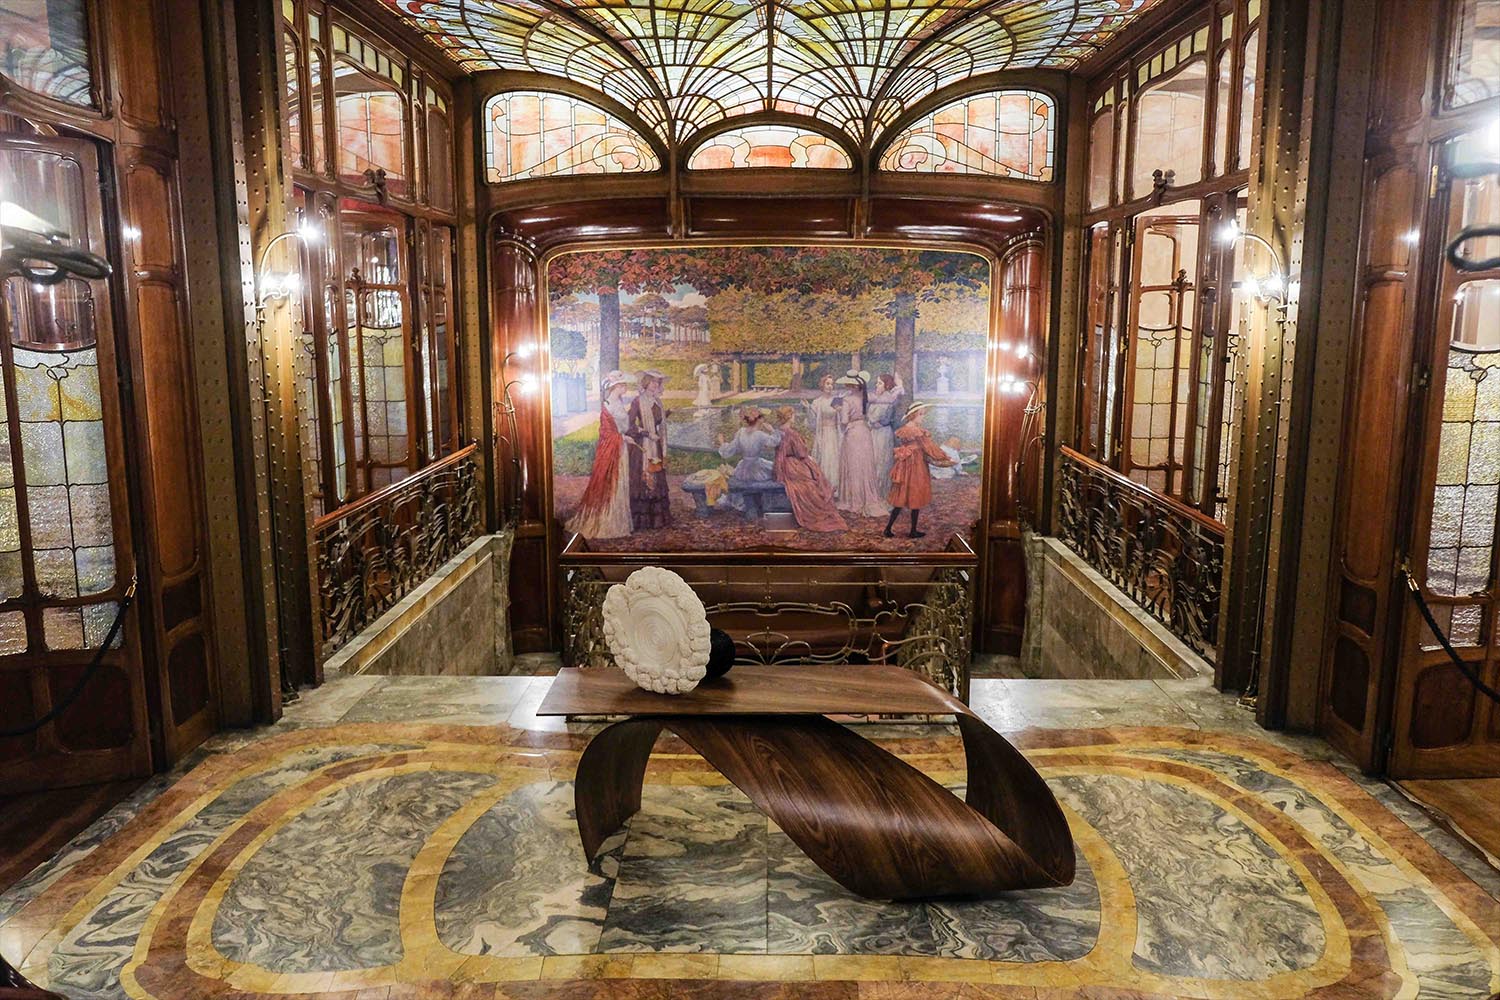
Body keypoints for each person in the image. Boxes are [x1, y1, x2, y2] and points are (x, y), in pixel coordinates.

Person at [564, 372, 637, 539]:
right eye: (623, 385)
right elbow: (606, 433)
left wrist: (627, 435)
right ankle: (607, 522)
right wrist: (623, 438)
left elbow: (623, 425)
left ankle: (619, 522)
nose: (625, 387)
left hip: (620, 448)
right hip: (613, 449)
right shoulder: (608, 405)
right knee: (612, 483)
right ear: (615, 387)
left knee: (620, 482)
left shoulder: (618, 402)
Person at [885, 402, 954, 539]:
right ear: (913, 415)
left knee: (903, 495)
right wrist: (944, 456)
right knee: (915, 493)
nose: (923, 417)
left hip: (905, 464)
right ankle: (911, 531)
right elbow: (930, 448)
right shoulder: (917, 431)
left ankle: (890, 529)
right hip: (915, 465)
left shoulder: (906, 428)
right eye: (921, 414)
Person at [772, 406, 846, 532]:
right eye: (793, 415)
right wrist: (806, 455)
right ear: (789, 417)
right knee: (814, 478)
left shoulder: (778, 431)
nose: (794, 417)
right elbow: (801, 453)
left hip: (781, 465)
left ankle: (821, 495)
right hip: (792, 465)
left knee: (814, 472)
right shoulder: (792, 433)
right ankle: (820, 506)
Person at [835, 372, 889, 518]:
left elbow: (844, 421)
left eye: (847, 384)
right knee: (864, 465)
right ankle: (866, 497)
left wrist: (839, 411)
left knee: (854, 466)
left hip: (853, 433)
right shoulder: (867, 397)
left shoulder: (847, 400)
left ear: (851, 385)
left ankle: (854, 500)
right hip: (864, 432)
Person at [626, 370, 672, 530]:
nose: (656, 385)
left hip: (655, 446)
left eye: (658, 382)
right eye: (653, 382)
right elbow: (629, 425)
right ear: (646, 382)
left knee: (656, 473)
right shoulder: (638, 401)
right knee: (644, 478)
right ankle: (642, 520)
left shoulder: (658, 401)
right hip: (643, 448)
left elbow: (657, 420)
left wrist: (666, 414)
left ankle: (657, 519)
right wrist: (647, 434)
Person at [717, 406, 782, 486]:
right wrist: (772, 430)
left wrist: (722, 443)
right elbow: (775, 441)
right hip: (756, 468)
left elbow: (728, 451)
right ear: (760, 420)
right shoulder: (760, 435)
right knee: (773, 470)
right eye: (763, 418)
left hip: (743, 468)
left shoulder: (741, 432)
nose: (764, 420)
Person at [867, 371, 905, 497]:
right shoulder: (877, 398)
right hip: (874, 433)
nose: (876, 385)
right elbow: (870, 417)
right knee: (873, 461)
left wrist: (875, 422)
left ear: (887, 385)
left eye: (879, 383)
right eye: (877, 383)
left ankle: (882, 492)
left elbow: (879, 417)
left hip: (883, 433)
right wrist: (871, 423)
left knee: (881, 462)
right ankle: (873, 491)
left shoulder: (889, 398)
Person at [806, 373, 842, 493]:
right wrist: (808, 408)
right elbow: (812, 421)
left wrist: (840, 412)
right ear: (822, 385)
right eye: (827, 384)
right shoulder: (817, 402)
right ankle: (823, 487)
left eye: (831, 384)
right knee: (824, 458)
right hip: (823, 434)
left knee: (834, 458)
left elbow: (842, 419)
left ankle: (835, 488)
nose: (829, 386)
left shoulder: (837, 400)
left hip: (834, 434)